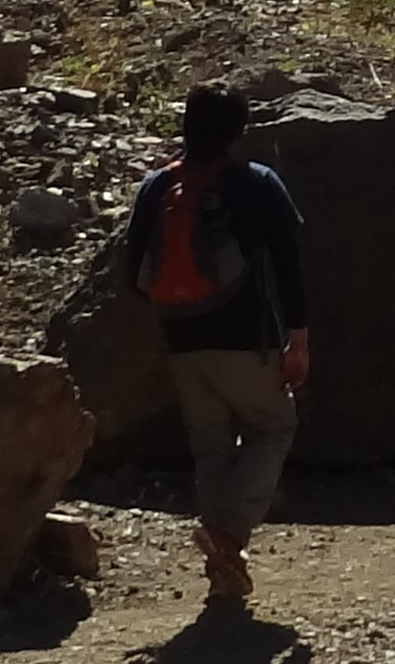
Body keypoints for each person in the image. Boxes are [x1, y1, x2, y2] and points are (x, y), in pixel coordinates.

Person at [119, 85, 308, 611]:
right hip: (246, 338)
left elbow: (134, 273)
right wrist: (299, 339)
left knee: (211, 447)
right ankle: (227, 534)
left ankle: (223, 568)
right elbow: (289, 268)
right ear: (238, 130)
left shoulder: (159, 185)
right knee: (274, 425)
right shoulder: (258, 184)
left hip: (181, 340)